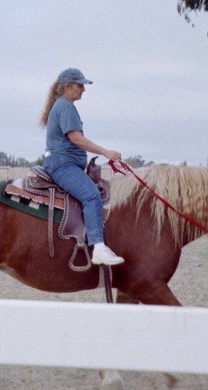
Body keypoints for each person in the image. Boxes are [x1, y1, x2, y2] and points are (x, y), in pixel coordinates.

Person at [40, 68, 124, 266]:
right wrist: (106, 152)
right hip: (63, 164)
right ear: (67, 87)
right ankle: (98, 247)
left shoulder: (61, 106)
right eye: (80, 85)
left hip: (64, 162)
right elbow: (76, 138)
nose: (83, 89)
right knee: (91, 195)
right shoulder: (65, 107)